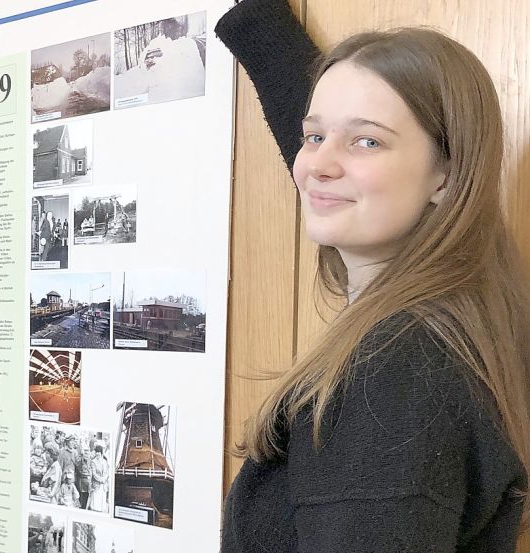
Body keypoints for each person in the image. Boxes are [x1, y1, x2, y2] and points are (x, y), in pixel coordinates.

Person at [215, 1, 530, 551]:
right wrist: (263, 26)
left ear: (447, 174)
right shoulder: (459, 315)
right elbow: (336, 155)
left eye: (368, 141)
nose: (317, 164)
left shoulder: (393, 376)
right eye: (312, 137)